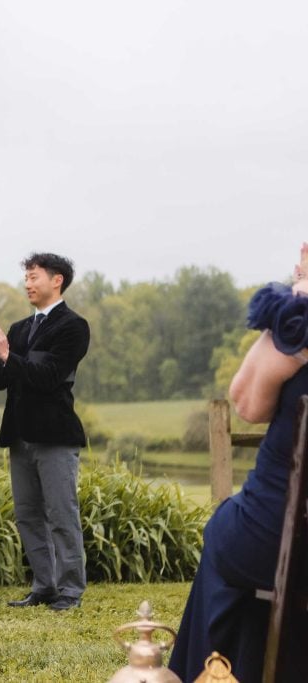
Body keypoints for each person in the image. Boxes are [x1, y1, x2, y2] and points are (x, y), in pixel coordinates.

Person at [168, 247, 308, 681]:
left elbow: (248, 402)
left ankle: (223, 672)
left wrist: (295, 305)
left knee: (228, 534)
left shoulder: (299, 322)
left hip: (282, 539)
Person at [0, 252, 90, 612]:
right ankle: (44, 586)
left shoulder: (73, 326)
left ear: (57, 280)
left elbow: (48, 377)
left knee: (61, 513)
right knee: (28, 514)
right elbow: (1, 382)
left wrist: (9, 356)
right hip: (19, 435)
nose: (28, 283)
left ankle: (71, 590)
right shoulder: (20, 328)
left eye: (34, 277)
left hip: (55, 435)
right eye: (26, 278)